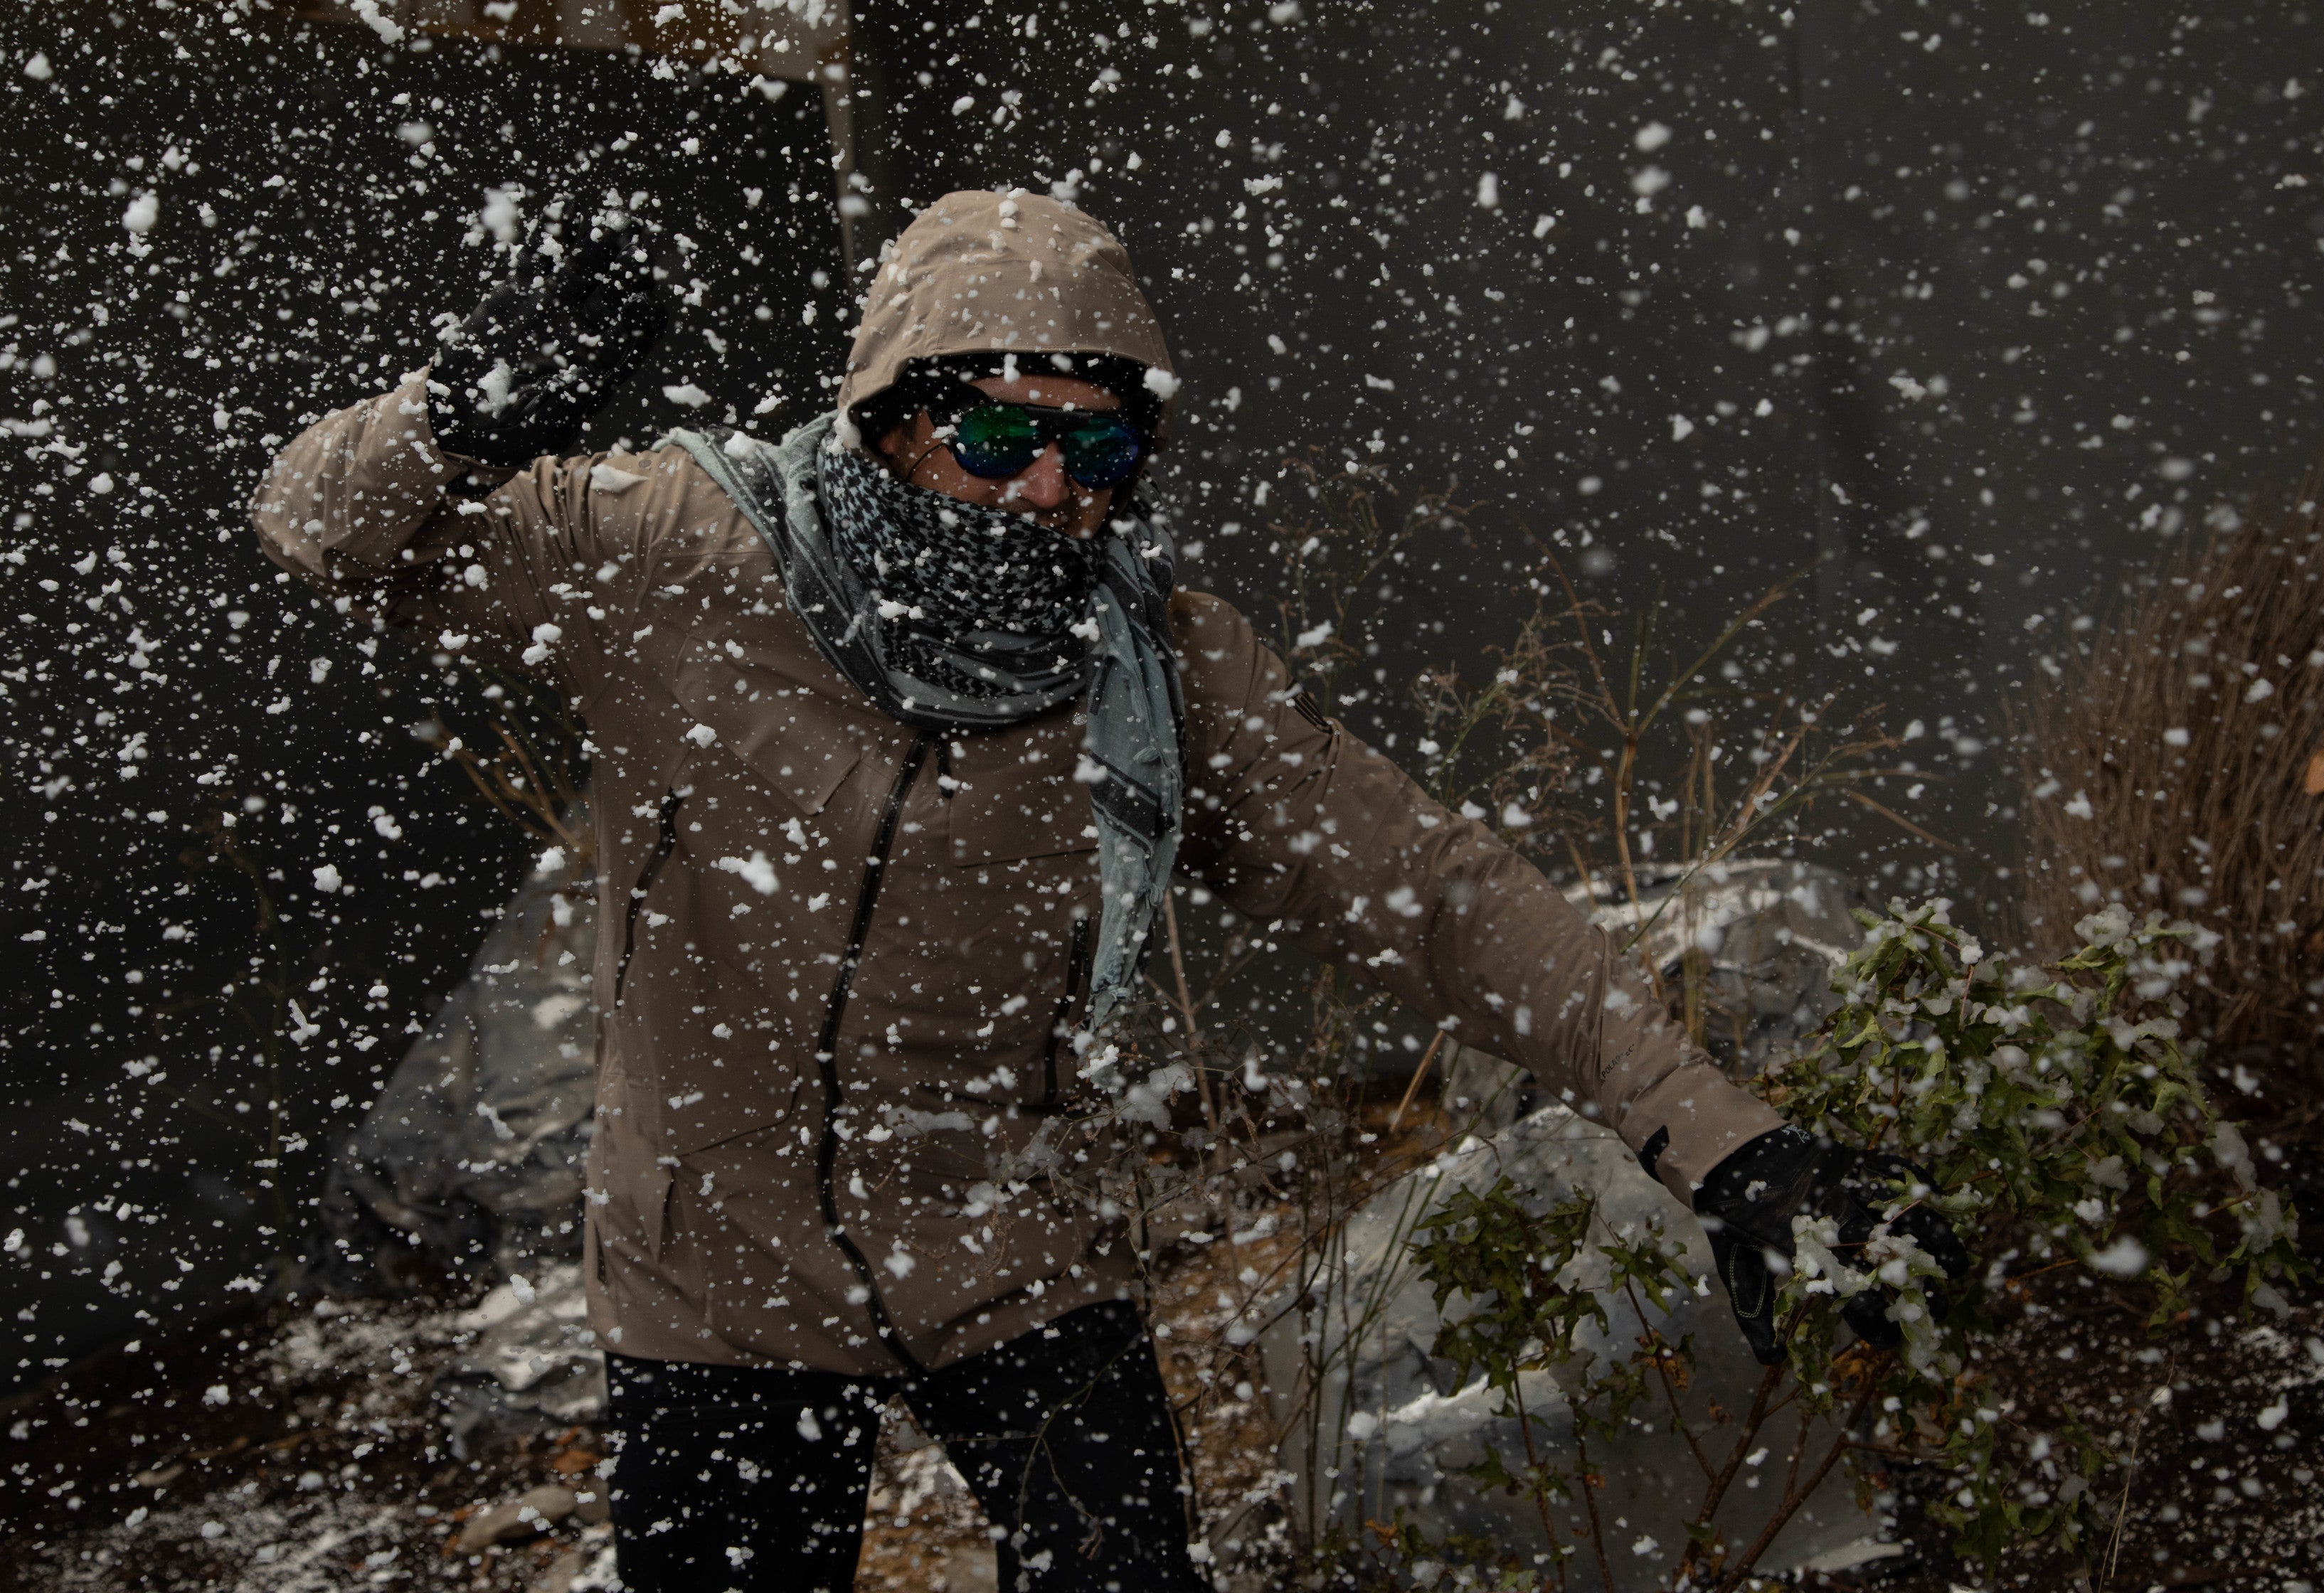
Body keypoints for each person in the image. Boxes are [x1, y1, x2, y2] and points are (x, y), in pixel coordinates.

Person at [253, 188, 1964, 1592]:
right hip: (715, 1269)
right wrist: (461, 408)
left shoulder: (1147, 665)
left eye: (1099, 450)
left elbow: (1433, 892)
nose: (1052, 490)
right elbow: (317, 530)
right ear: (892, 418)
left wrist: (1728, 1143)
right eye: (998, 433)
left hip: (1008, 1240)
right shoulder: (684, 552)